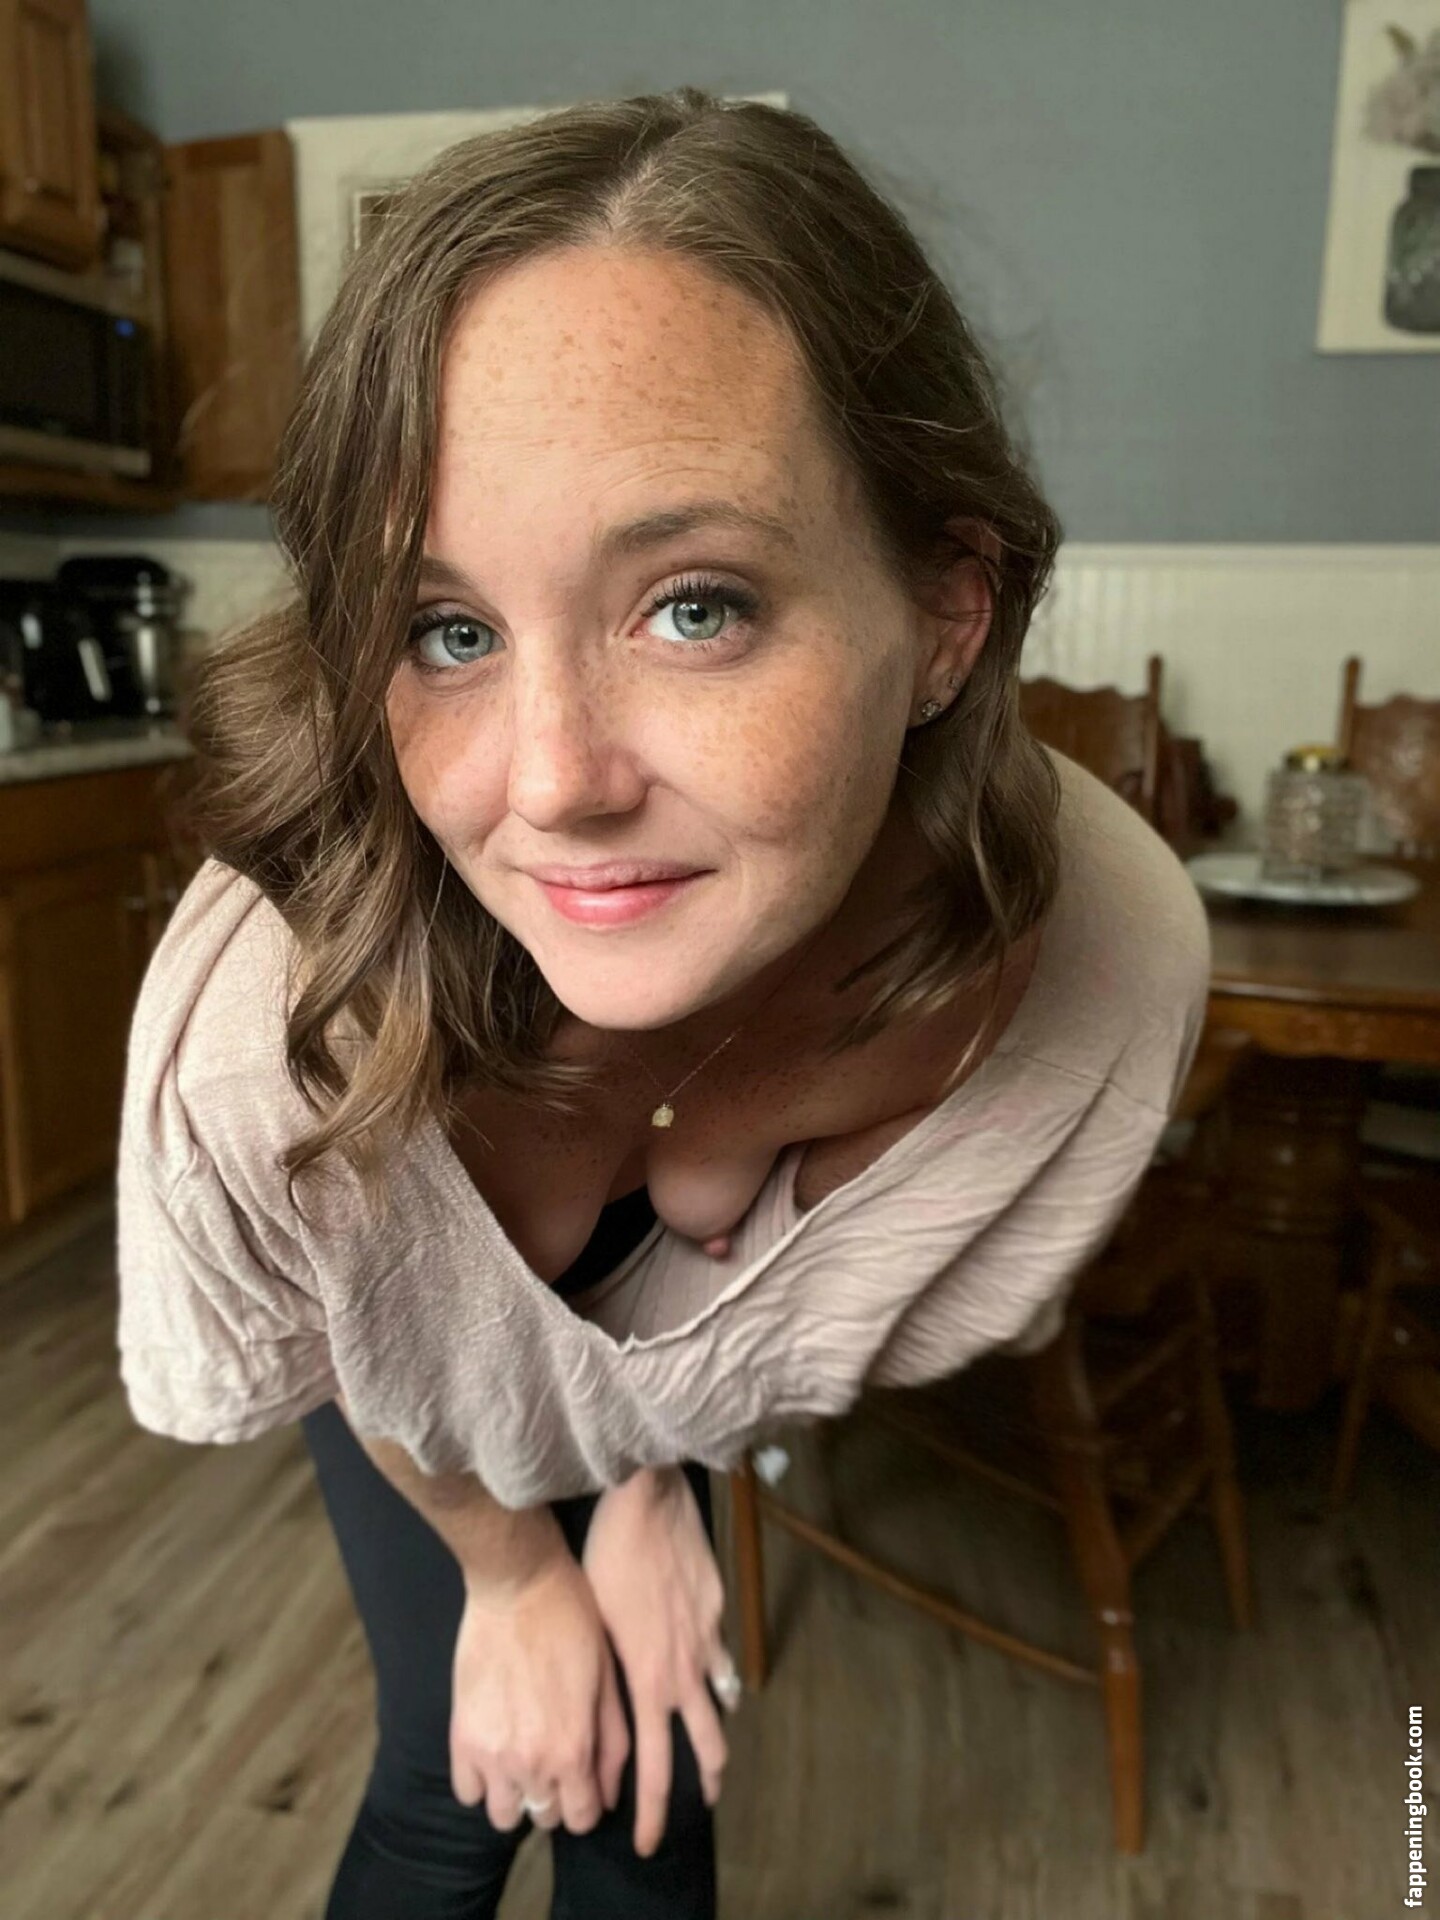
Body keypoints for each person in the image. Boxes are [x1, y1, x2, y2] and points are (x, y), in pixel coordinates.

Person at [115, 86, 1210, 1919]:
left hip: (641, 1377)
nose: (553, 785)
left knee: (651, 1774)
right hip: (396, 1355)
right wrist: (512, 1574)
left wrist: (657, 1484)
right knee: (459, 1778)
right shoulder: (270, 1042)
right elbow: (348, 1349)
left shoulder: (1062, 986)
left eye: (695, 606)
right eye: (448, 630)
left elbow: (772, 1324)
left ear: (947, 615)